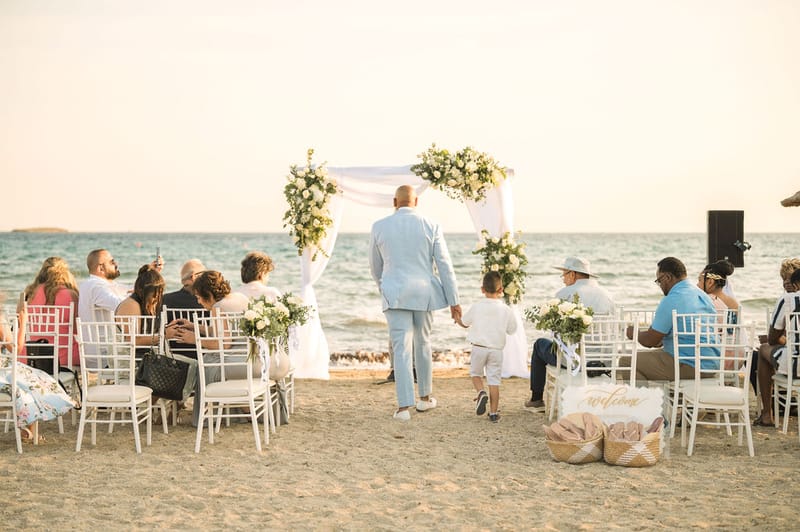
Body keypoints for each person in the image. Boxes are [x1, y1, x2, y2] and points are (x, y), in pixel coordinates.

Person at [369, 185, 461, 421]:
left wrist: (385, 287)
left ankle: (403, 408)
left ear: (394, 202)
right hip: (424, 293)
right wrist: (454, 300)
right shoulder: (431, 225)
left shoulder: (379, 226)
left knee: (401, 349)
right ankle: (425, 398)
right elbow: (445, 265)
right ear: (416, 201)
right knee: (423, 344)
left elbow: (375, 267)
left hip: (394, 293)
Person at [525, 257, 615, 412]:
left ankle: (536, 400)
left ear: (572, 274)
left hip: (573, 361)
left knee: (539, 344)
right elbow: (614, 329)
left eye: (564, 274)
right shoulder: (607, 295)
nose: (563, 279)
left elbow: (555, 334)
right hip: (603, 360)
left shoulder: (564, 294)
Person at [168, 270, 250, 427]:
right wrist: (194, 326)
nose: (198, 302)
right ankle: (242, 410)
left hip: (236, 362)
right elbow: (225, 333)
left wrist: (195, 339)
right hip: (250, 357)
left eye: (199, 297)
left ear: (208, 294)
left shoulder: (218, 307)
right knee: (208, 361)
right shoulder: (239, 297)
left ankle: (212, 415)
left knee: (205, 365)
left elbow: (224, 344)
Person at [623, 257, 719, 382]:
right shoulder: (702, 295)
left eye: (659, 281)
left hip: (690, 365)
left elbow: (650, 341)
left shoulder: (672, 298)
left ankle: (643, 395)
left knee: (627, 362)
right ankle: (668, 393)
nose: (660, 286)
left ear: (667, 277)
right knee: (653, 355)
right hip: (712, 363)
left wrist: (634, 333)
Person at [0, 301, 77, 444]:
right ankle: (29, 429)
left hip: (4, 371)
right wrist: (23, 322)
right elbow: (16, 349)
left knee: (27, 382)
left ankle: (29, 430)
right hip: (3, 370)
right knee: (35, 381)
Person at [457, 271, 517, 423]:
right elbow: (512, 330)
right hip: (496, 350)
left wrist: (457, 317)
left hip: (479, 348)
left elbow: (465, 323)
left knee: (476, 374)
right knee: (494, 381)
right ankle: (493, 413)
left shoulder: (477, 306)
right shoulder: (506, 309)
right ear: (501, 290)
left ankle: (481, 392)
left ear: (482, 289)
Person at [754, 263, 800, 426]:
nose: (787, 282)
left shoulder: (789, 299)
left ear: (796, 282)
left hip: (797, 365)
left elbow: (773, 339)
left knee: (763, 349)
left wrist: (775, 340)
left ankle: (767, 414)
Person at [22, 256, 81, 367]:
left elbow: (20, 325)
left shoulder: (29, 294)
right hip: (65, 356)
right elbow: (78, 330)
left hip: (32, 356)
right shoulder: (70, 295)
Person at [77, 249, 128, 325]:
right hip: (103, 333)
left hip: (109, 332)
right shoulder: (95, 286)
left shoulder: (97, 283)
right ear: (101, 268)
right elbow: (119, 305)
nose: (116, 264)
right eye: (112, 262)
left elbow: (124, 289)